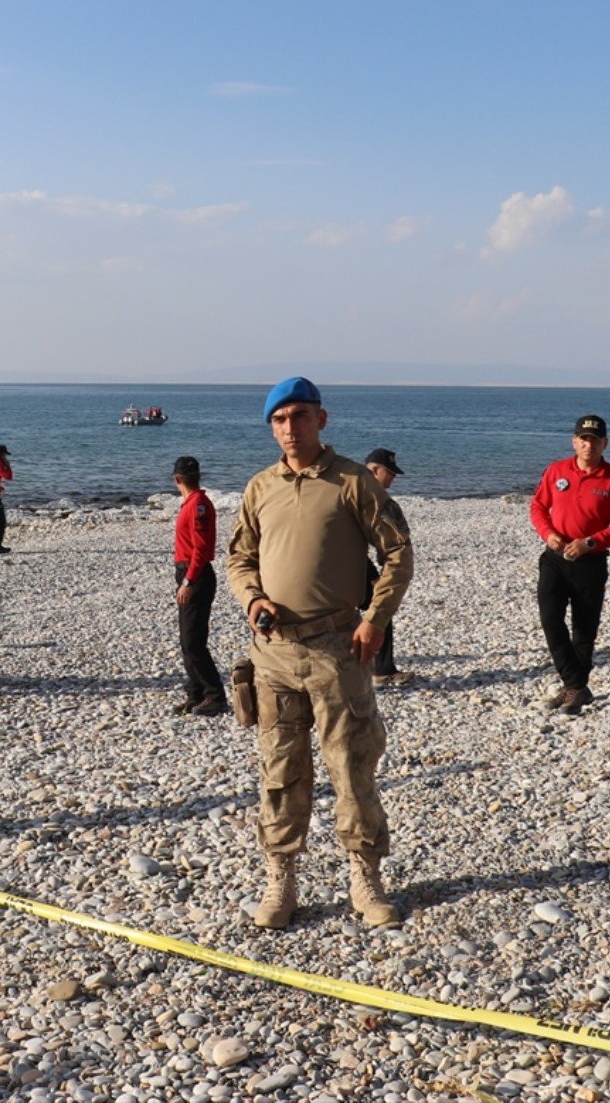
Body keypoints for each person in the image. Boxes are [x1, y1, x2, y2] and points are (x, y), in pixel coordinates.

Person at [227, 377, 413, 930]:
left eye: (299, 417)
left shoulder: (354, 482)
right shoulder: (260, 487)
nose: (290, 429)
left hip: (338, 648)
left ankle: (365, 876)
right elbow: (238, 559)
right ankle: (280, 878)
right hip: (274, 652)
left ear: (321, 420)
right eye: (280, 420)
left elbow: (398, 553)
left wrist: (376, 620)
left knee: (351, 766)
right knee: (280, 769)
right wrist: (252, 598)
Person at [529, 414, 610, 716]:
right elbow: (538, 506)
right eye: (583, 439)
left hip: (591, 561)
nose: (589, 445)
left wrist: (591, 542)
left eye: (595, 440)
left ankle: (573, 688)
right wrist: (547, 533)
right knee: (550, 618)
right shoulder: (557, 470)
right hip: (555, 558)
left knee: (584, 628)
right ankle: (575, 684)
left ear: (605, 443)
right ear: (574, 441)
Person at [172, 455, 226, 716]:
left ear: (176, 480)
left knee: (193, 641)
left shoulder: (198, 505)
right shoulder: (191, 503)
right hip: (189, 571)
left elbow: (202, 550)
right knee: (187, 640)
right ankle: (196, 694)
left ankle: (214, 695)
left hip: (196, 574)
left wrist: (189, 581)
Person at [362, 448, 410, 684]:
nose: (392, 479)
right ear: (374, 470)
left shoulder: (362, 490)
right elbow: (349, 542)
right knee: (381, 607)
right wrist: (372, 576)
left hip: (347, 566)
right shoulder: (363, 494)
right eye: (389, 473)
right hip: (347, 567)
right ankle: (381, 670)